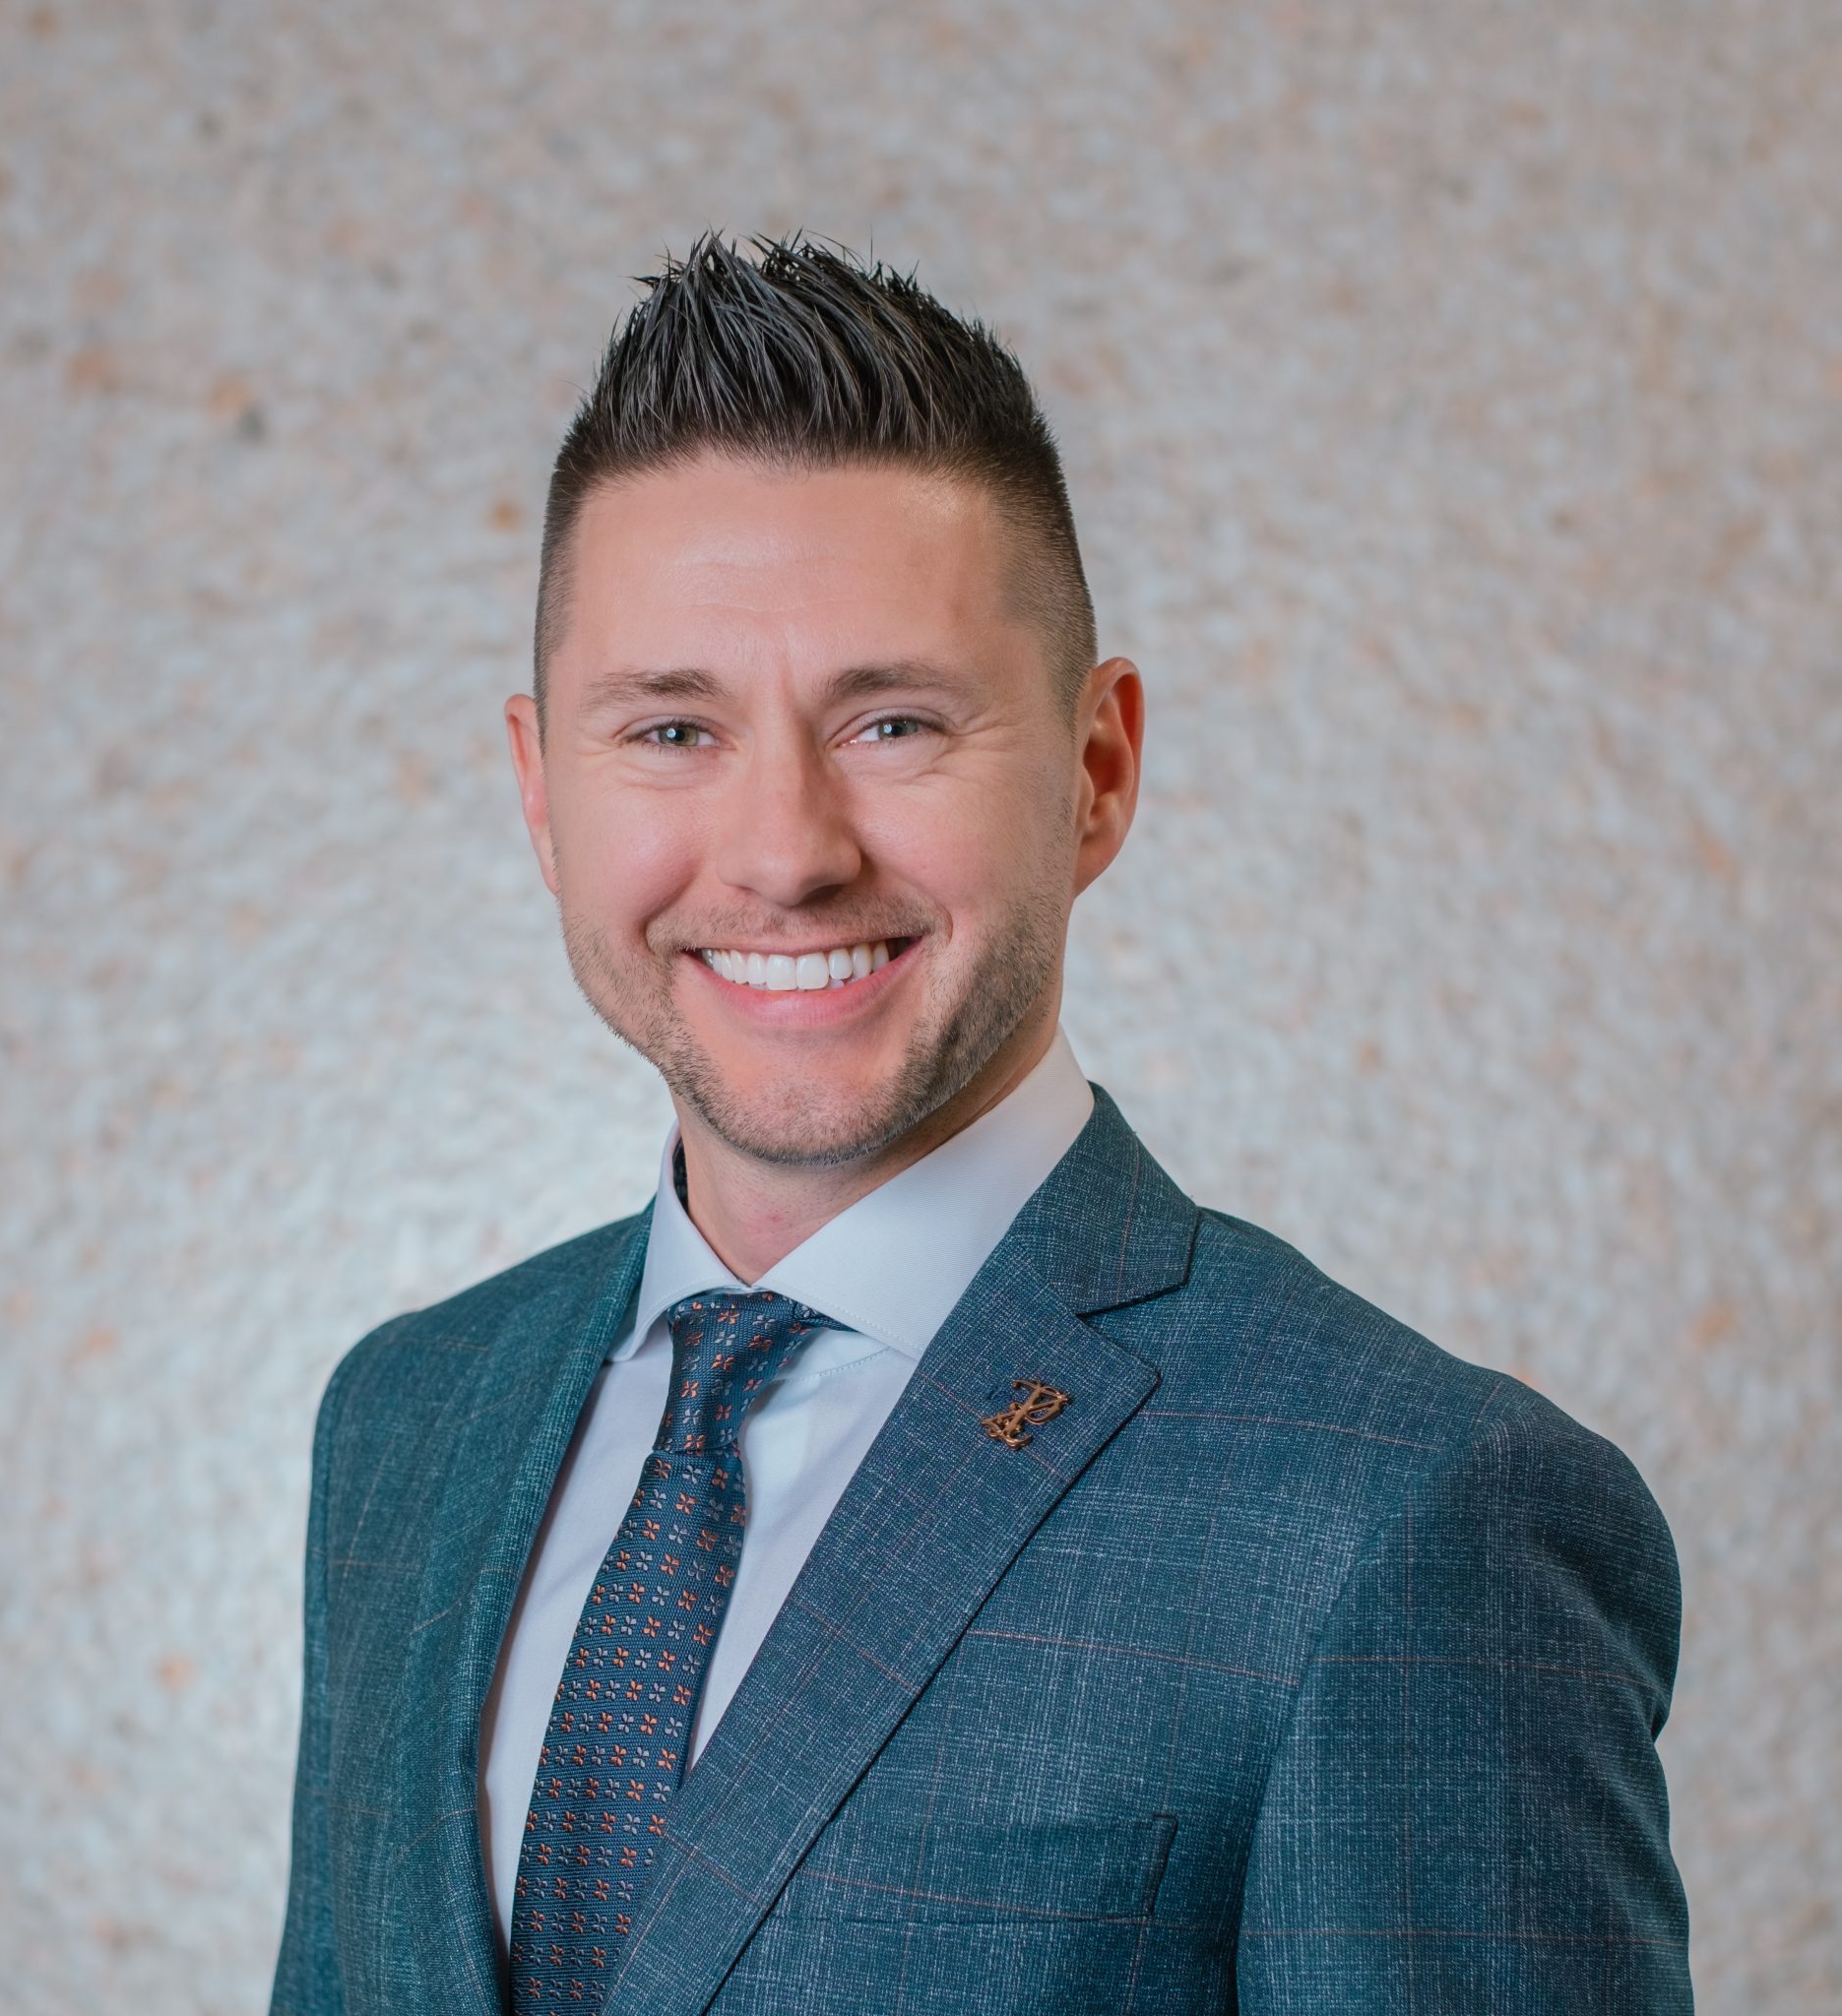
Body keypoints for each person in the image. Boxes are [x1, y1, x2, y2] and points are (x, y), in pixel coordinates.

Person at [270, 233, 1689, 2016]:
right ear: (543, 792)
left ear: (1097, 772)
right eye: (672, 731)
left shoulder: (1411, 1511)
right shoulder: (409, 1421)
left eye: (892, 722)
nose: (784, 851)